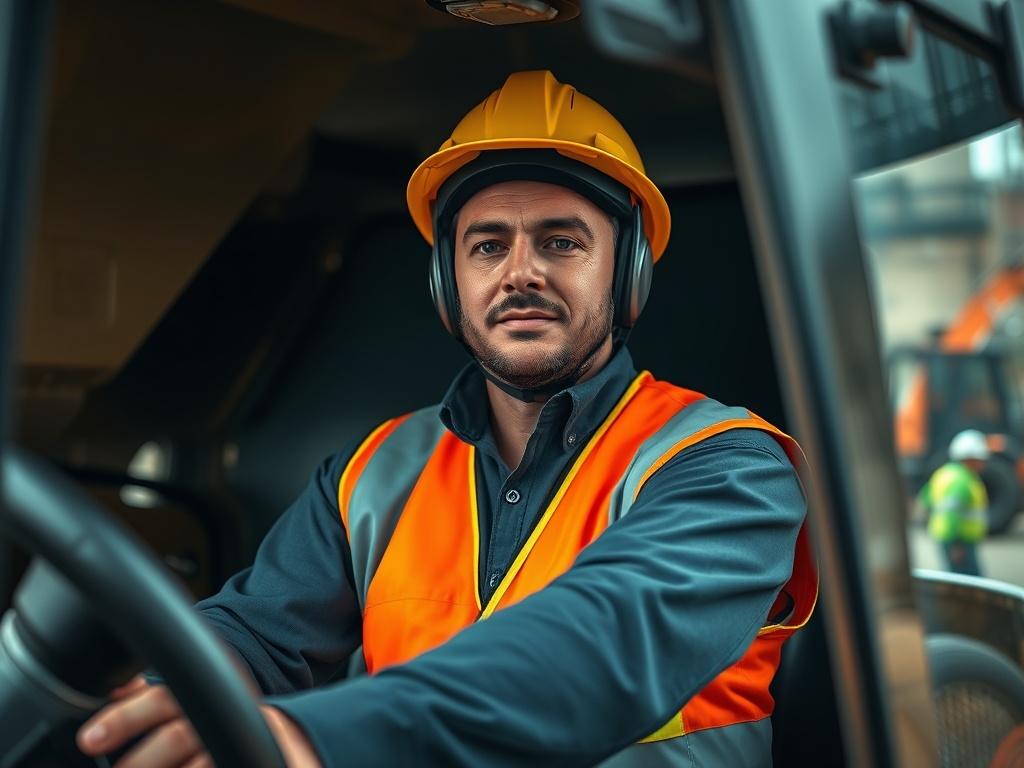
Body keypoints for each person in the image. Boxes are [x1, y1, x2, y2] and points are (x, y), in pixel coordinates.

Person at [76, 71, 815, 768]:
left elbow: (604, 645)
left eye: (561, 241)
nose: (520, 271)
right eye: (487, 245)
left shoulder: (729, 468)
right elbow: (257, 633)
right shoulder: (371, 472)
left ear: (628, 276)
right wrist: (166, 703)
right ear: (446, 282)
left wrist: (321, 737)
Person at [919, 429, 990, 577]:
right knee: (970, 584)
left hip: (946, 537)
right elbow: (952, 513)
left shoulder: (944, 473)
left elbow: (925, 499)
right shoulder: (962, 480)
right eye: (981, 459)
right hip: (959, 541)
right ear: (969, 458)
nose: (983, 463)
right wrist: (956, 546)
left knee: (956, 580)